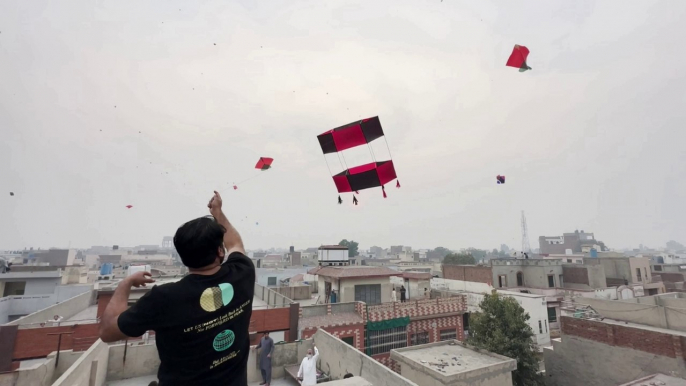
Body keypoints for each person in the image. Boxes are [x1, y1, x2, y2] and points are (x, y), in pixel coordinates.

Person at [99, 191, 255, 386]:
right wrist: (218, 213)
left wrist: (125, 284)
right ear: (220, 252)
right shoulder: (242, 274)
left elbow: (107, 332)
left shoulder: (165, 298)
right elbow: (235, 243)